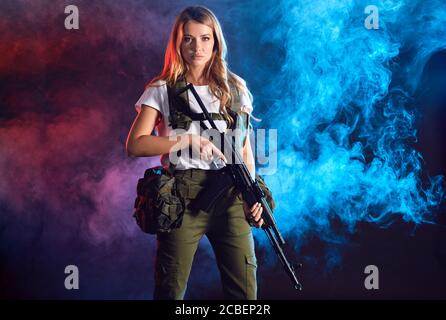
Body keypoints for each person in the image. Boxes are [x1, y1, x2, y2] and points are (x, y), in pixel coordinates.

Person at [126, 5, 263, 300]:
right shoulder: (162, 88)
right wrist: (188, 141)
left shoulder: (236, 88)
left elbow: (244, 152)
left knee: (245, 294)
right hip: (181, 197)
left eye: (205, 38)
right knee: (170, 290)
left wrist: (253, 195)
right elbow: (136, 144)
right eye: (188, 38)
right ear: (177, 42)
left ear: (216, 42)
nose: (197, 47)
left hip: (231, 197)